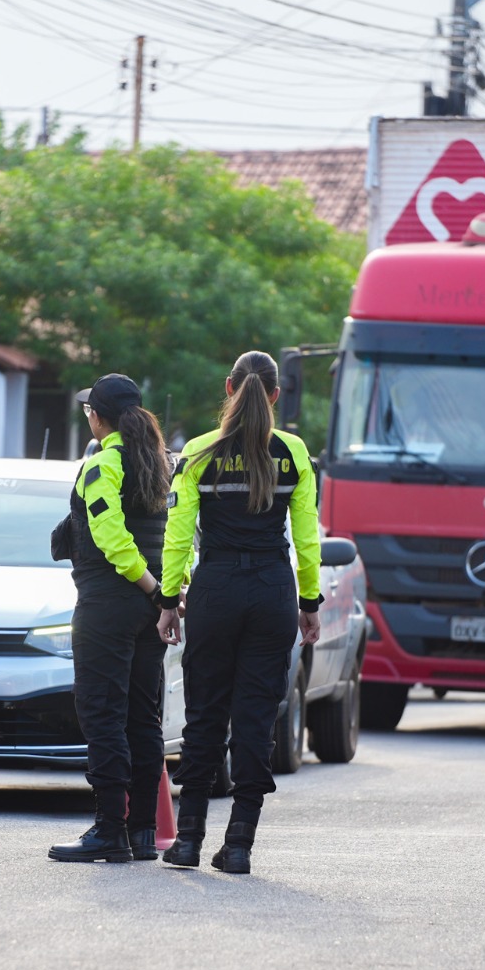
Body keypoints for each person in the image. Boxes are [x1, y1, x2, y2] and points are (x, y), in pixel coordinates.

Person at [155, 351, 322, 875]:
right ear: (276, 394)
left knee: (205, 715)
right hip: (273, 589)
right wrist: (309, 602)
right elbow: (308, 540)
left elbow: (178, 536)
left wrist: (168, 598)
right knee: (254, 719)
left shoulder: (199, 453)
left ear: (230, 388)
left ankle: (186, 842)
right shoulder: (293, 454)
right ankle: (240, 846)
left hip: (216, 589)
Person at [48, 373, 174, 864]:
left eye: (87, 412)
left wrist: (151, 586)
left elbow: (112, 539)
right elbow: (172, 535)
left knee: (102, 714)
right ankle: (142, 831)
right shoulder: (157, 464)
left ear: (97, 418)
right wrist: (165, 594)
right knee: (142, 717)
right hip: (149, 611)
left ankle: (108, 831)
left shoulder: (103, 464)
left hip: (109, 606)